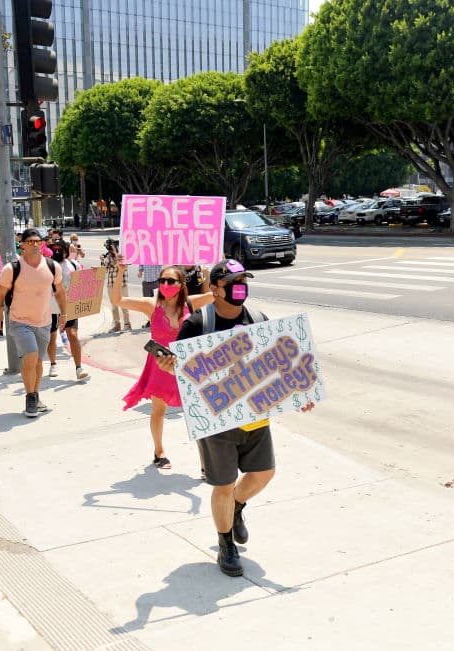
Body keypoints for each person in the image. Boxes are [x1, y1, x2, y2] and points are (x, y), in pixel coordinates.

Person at [156, 259, 314, 577]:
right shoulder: (198, 324)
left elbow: (276, 365)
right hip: (217, 421)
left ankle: (237, 507)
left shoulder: (258, 319)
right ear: (214, 288)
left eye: (243, 280)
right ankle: (226, 543)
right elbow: (184, 372)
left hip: (255, 417)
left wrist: (298, 393)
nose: (239, 287)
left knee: (264, 473)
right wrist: (170, 365)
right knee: (224, 485)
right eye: (232, 282)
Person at [111, 263, 213, 469]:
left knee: (198, 411)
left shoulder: (191, 304)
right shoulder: (152, 305)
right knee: (159, 409)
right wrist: (121, 270)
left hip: (187, 365)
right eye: (162, 281)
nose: (165, 285)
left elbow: (214, 295)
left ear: (182, 284)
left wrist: (208, 272)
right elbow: (117, 300)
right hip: (160, 363)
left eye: (171, 281)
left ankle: (206, 462)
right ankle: (159, 451)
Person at [0, 228, 67, 417]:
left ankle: (36, 395)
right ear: (22, 245)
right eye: (30, 241)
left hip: (44, 322)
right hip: (19, 321)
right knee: (31, 357)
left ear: (42, 244)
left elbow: (60, 292)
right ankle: (30, 398)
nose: (34, 244)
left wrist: (64, 314)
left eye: (38, 241)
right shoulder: (12, 269)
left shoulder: (52, 267)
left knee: (39, 362)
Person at [45, 240, 89, 381]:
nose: (57, 252)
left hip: (69, 306)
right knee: (51, 337)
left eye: (60, 249)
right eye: (54, 249)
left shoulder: (74, 265)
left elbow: (81, 283)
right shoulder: (46, 265)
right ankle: (53, 364)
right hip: (51, 307)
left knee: (73, 335)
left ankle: (79, 367)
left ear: (65, 251)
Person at [101, 240, 132, 332]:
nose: (111, 249)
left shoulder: (123, 256)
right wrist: (102, 261)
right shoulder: (108, 256)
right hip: (111, 284)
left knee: (124, 305)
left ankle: (127, 324)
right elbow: (104, 270)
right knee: (114, 306)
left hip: (122, 285)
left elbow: (121, 265)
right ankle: (116, 324)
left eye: (113, 246)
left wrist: (116, 252)